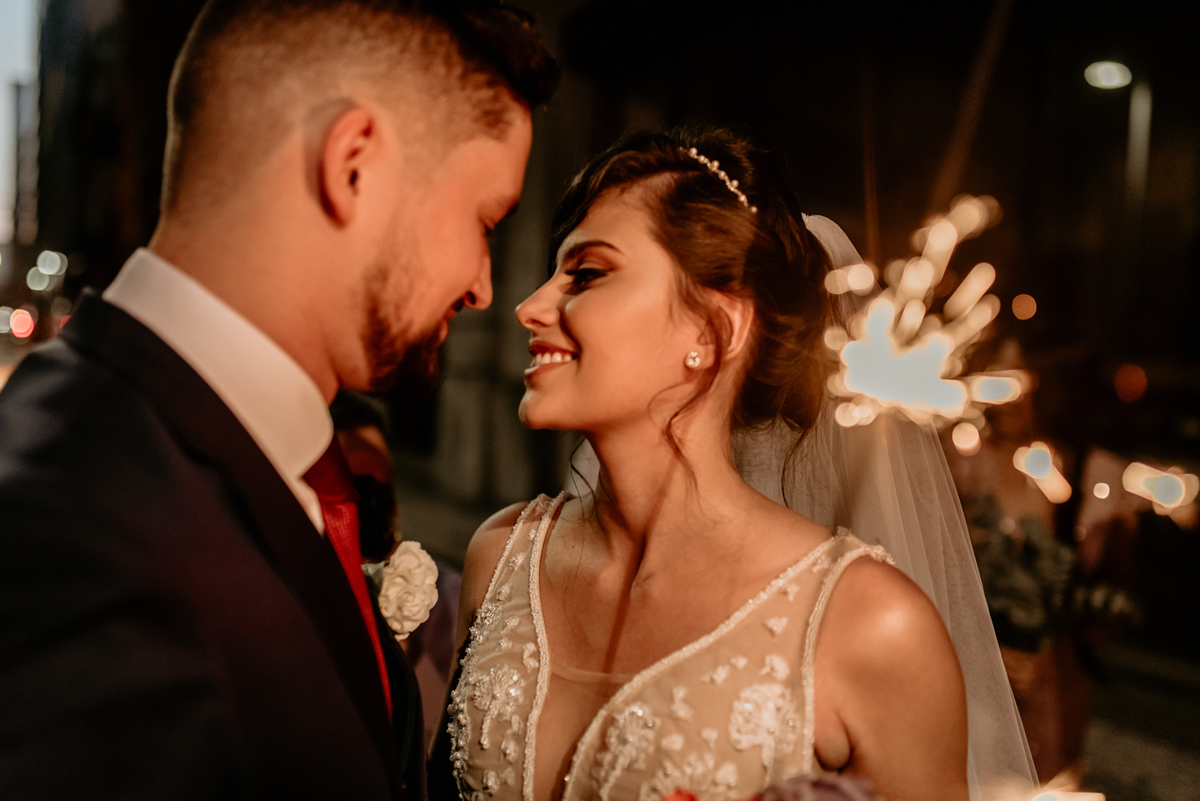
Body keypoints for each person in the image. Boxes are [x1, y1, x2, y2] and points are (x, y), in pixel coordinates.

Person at [0, 1, 556, 798]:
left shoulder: (201, 443)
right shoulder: (77, 538)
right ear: (353, 164)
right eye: (485, 221)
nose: (484, 287)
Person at [432, 127, 1036, 801]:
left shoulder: (868, 624)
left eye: (587, 274)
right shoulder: (501, 556)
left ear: (713, 328)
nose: (530, 306)